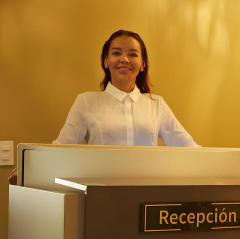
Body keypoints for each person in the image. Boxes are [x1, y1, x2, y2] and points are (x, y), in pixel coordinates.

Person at [8, 29, 198, 184]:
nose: (124, 59)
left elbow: (188, 148)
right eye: (116, 53)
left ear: (142, 64)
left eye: (132, 54)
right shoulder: (86, 102)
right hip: (99, 196)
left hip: (147, 196)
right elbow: (62, 146)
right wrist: (29, 168)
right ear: (106, 61)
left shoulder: (157, 104)